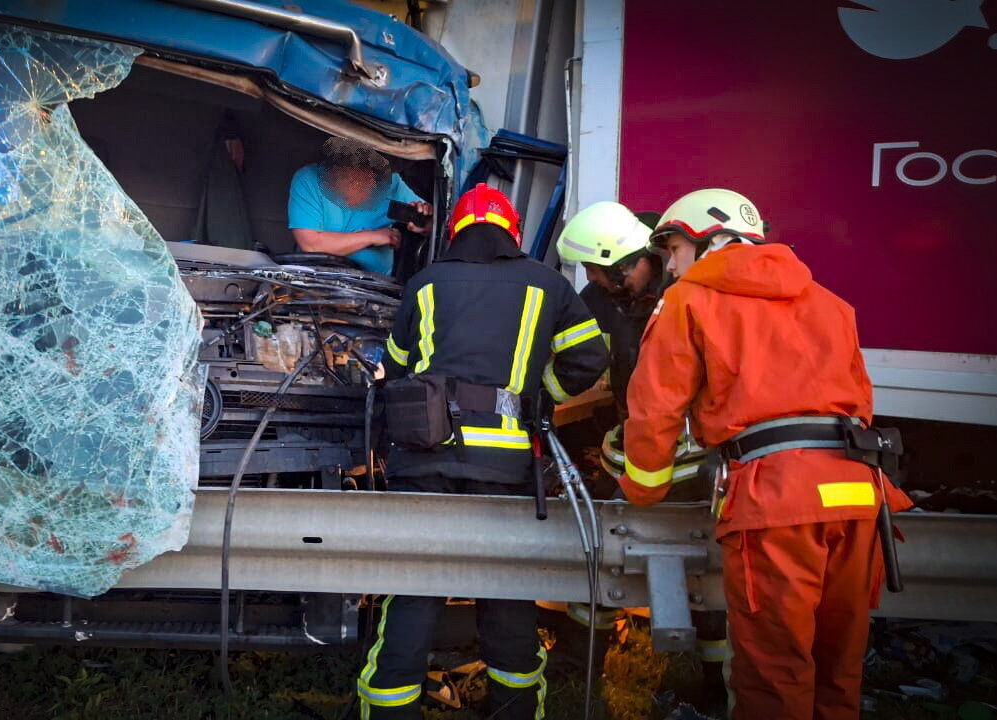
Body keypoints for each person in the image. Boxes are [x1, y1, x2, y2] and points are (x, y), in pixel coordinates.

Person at [618, 188, 912, 720]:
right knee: (839, 669)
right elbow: (860, 403)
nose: (670, 267)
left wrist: (644, 488)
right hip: (858, 495)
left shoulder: (688, 300)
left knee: (773, 676)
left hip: (775, 504)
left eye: (673, 250)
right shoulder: (828, 301)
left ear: (708, 241)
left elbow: (655, 408)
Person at [360, 183, 609, 719]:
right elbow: (590, 356)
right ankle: (512, 708)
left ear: (455, 234)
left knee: (414, 592)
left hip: (424, 461)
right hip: (506, 466)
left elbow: (394, 367)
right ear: (513, 233)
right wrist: (537, 401)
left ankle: (390, 708)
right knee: (508, 592)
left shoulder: (425, 283)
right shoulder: (547, 284)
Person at [556, 201, 727, 699]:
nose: (592, 280)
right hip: (643, 443)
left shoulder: (686, 291)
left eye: (596, 270)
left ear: (626, 261)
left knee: (702, 559)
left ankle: (713, 680)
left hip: (695, 452)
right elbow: (581, 348)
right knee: (609, 546)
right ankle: (583, 660)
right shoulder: (606, 294)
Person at [288, 137, 432, 275]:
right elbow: (312, 246)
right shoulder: (309, 180)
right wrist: (373, 237)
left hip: (374, 284)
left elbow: (433, 225)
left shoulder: (392, 183)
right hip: (316, 280)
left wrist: (427, 221)